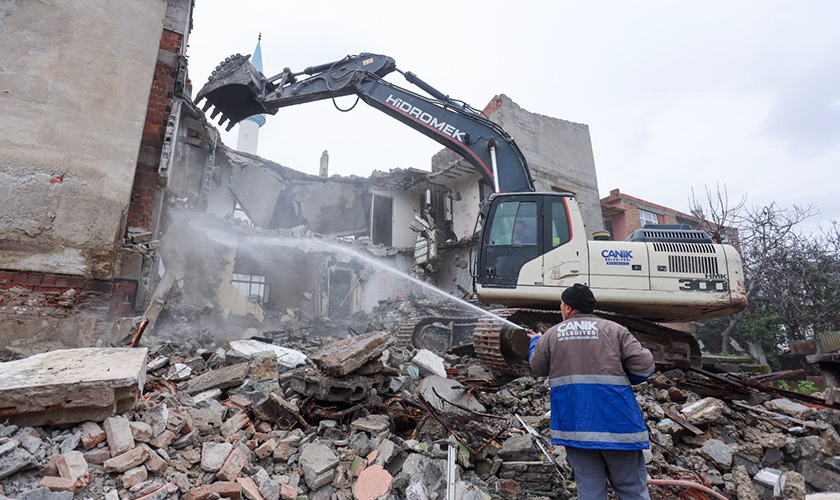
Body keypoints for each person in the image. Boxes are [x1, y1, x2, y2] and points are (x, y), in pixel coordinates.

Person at [528, 283, 655, 500]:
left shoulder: (551, 335)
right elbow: (645, 367)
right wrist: (629, 378)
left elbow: (537, 368)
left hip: (577, 427)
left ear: (567, 308)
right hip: (619, 425)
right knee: (632, 490)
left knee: (590, 492)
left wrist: (535, 342)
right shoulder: (615, 330)